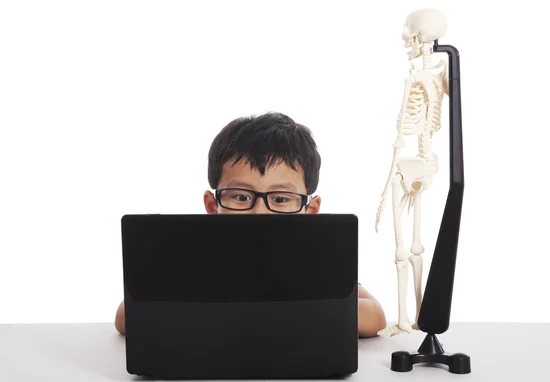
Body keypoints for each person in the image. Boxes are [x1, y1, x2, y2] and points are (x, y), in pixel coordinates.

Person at [114, 112, 387, 337]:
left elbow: (374, 318)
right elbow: (124, 317)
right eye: (242, 197)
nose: (259, 212)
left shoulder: (312, 261)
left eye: (280, 198)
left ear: (310, 210)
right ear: (213, 206)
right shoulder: (197, 257)